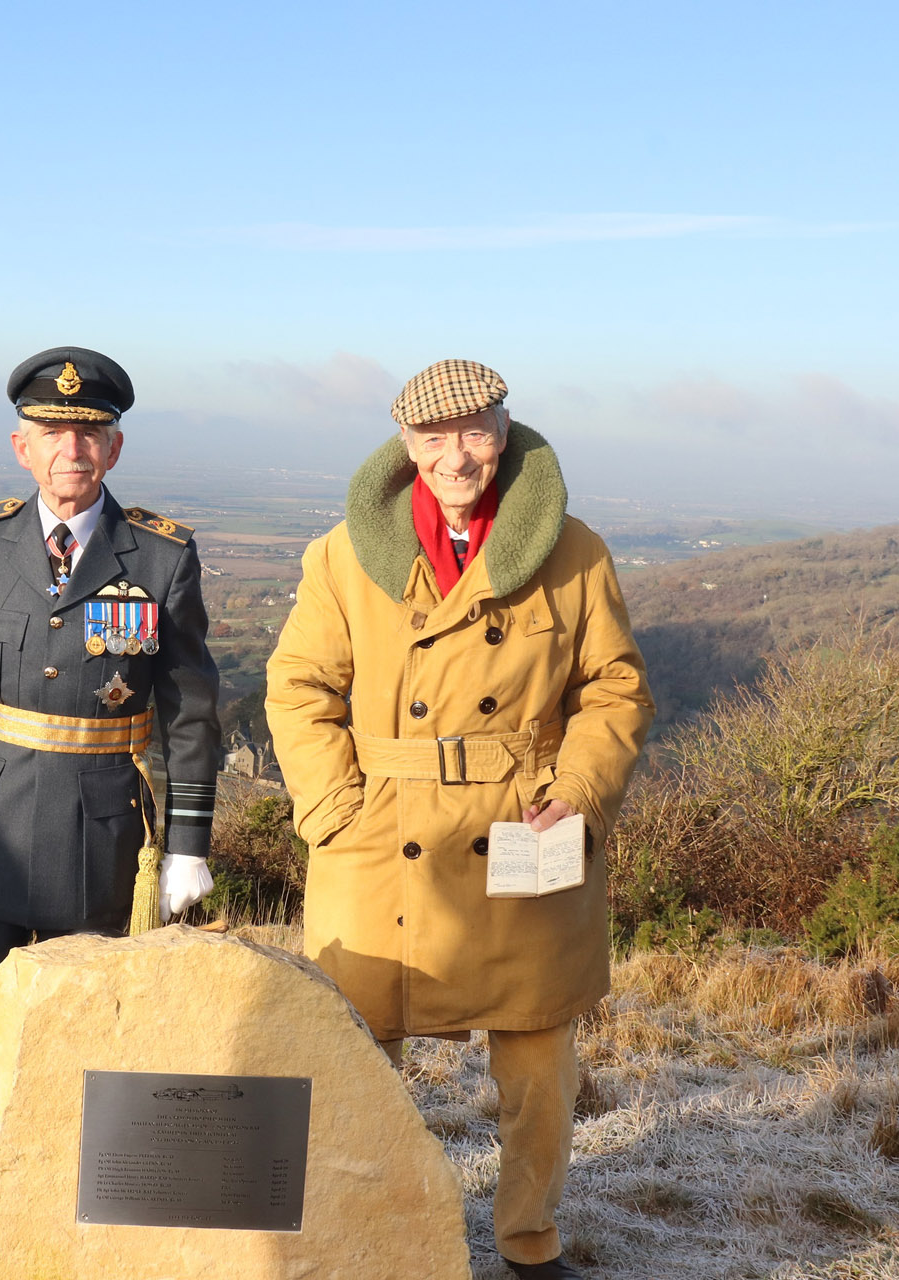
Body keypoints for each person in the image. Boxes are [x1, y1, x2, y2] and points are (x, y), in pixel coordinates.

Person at [265, 360, 653, 1280]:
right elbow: (299, 687)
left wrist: (580, 791)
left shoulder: (577, 551)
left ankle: (529, 1243)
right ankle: (356, 1235)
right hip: (377, 832)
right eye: (433, 438)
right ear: (405, 447)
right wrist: (330, 808)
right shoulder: (340, 554)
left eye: (475, 432)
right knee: (354, 1056)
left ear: (505, 430)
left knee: (540, 1070)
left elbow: (615, 690)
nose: (456, 455)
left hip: (528, 822)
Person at [0, 347, 224, 1113]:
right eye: (52, 429)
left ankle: (72, 1204)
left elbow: (191, 709)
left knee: (94, 1021)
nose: (73, 448)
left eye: (91, 432)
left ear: (115, 448)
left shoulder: (162, 557)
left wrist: (189, 843)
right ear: (20, 445)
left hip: (103, 831)